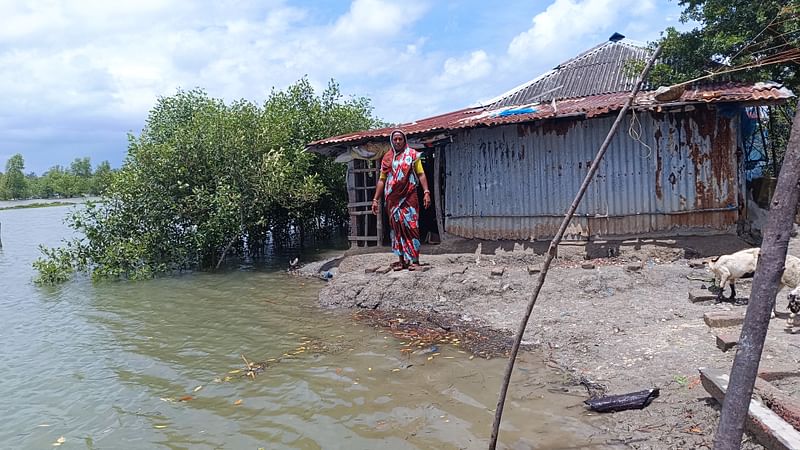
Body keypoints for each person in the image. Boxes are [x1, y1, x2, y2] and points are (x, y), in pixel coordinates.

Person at [371, 129, 431, 270]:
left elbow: (421, 174)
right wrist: (375, 199)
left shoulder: (412, 155)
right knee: (396, 229)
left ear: (404, 140)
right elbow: (382, 180)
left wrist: (426, 192)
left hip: (410, 196)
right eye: (395, 139)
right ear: (392, 141)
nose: (397, 142)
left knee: (412, 226)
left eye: (400, 139)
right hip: (392, 200)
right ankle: (401, 260)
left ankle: (414, 261)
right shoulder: (387, 158)